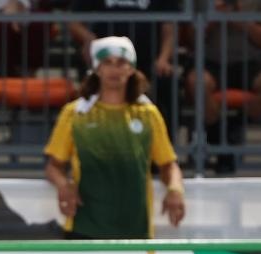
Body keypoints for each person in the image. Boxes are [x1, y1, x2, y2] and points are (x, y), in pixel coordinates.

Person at [44, 36, 186, 240]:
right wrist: (63, 185)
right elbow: (53, 166)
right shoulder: (75, 113)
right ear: (97, 69)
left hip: (136, 229)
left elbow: (168, 165)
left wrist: (175, 189)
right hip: (84, 226)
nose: (114, 70)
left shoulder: (148, 114)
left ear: (131, 69)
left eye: (121, 63)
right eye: (107, 63)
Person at [184, 0, 261, 173]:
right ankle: (221, 137)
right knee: (197, 82)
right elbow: (191, 39)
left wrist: (240, 20)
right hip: (209, 60)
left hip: (251, 61)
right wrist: (213, 18)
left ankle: (236, 126)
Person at [68, 0, 179, 133]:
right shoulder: (70, 111)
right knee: (90, 84)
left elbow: (170, 29)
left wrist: (163, 58)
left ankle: (167, 139)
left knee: (167, 82)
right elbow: (74, 22)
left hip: (149, 62)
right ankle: (89, 134)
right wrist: (92, 42)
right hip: (104, 60)